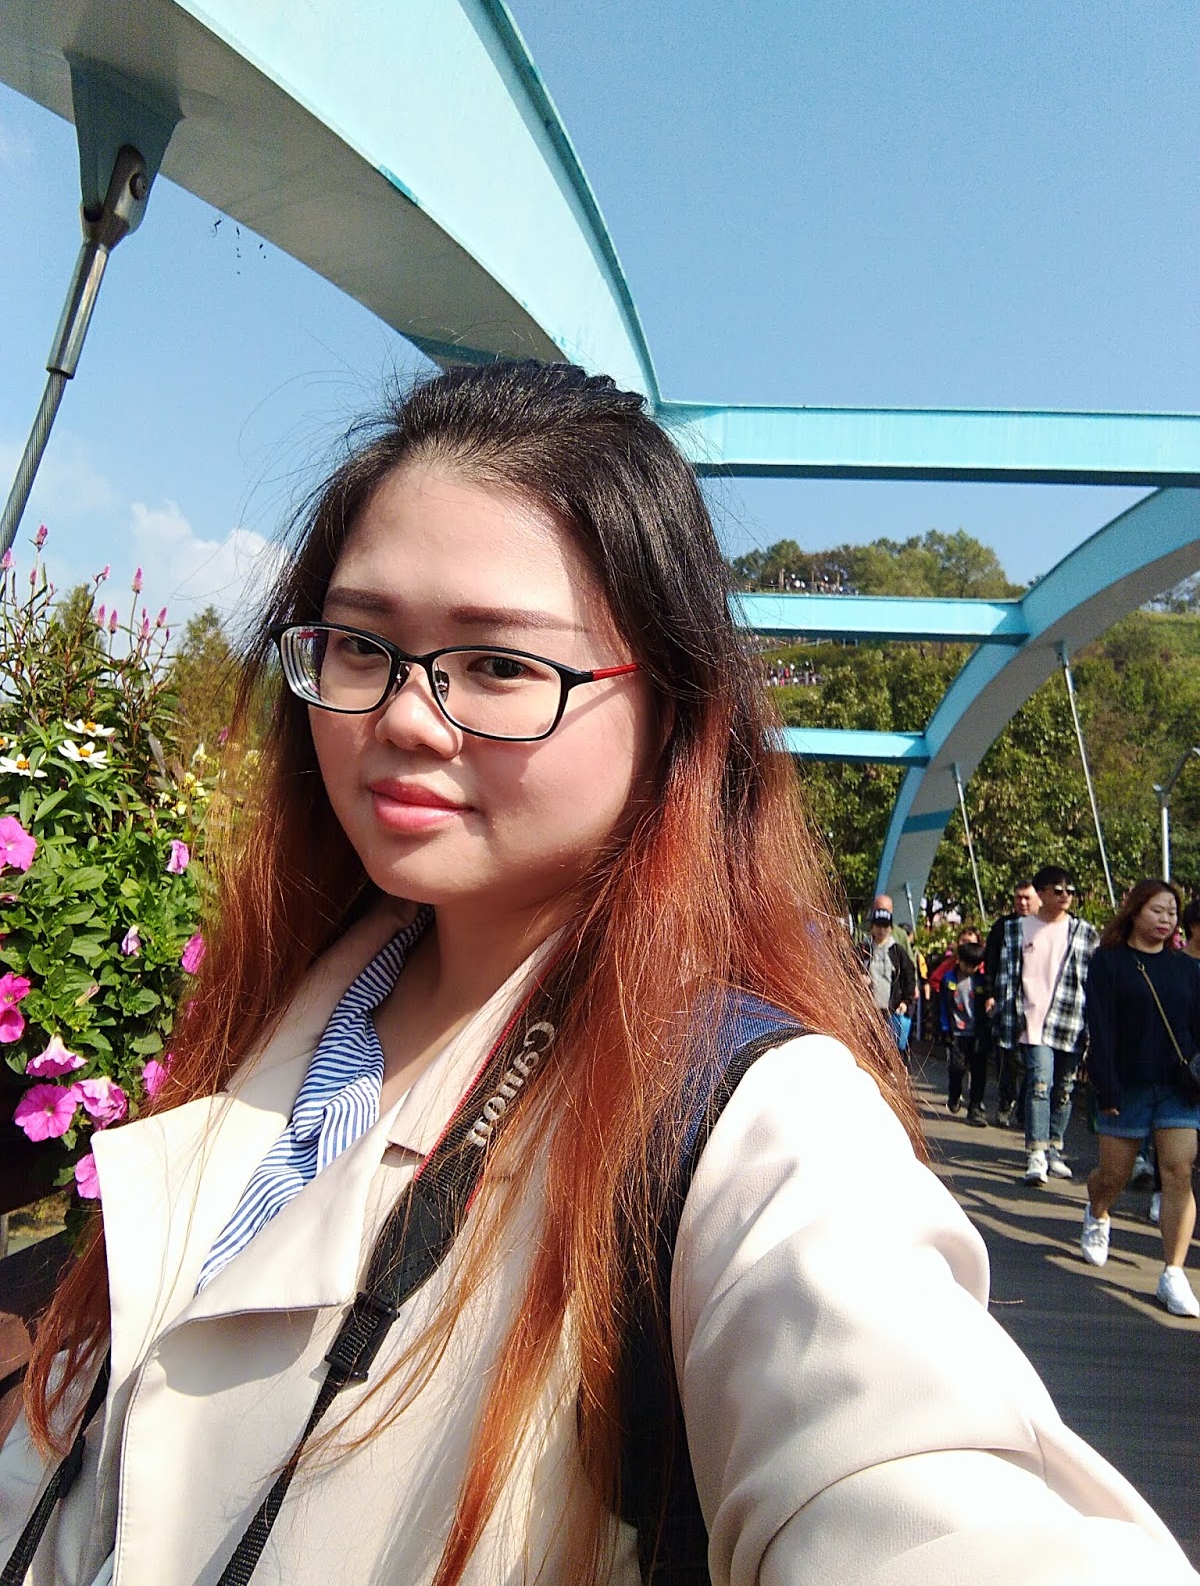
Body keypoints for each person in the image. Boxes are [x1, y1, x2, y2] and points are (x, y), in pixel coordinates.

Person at [3, 362, 1197, 1586]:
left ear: (672, 710)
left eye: (501, 665)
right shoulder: (276, 1024)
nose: (405, 716)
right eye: (360, 645)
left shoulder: (743, 1124)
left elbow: (924, 1491)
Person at [1080, 880, 1200, 1318]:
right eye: (1158, 910)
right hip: (1126, 1085)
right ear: (1134, 911)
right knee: (1114, 1175)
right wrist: (1106, 1085)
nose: (1167, 919)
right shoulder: (1109, 961)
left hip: (1177, 1089)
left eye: (1172, 912)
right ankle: (1098, 1212)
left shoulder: (1186, 968)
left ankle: (1173, 1272)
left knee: (1178, 1170)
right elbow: (1100, 1026)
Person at [993, 866, 1099, 1185]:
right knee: (1040, 1084)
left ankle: (1054, 1147)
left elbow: (1095, 981)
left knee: (1064, 1089)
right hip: (1032, 1020)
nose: (1065, 896)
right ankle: (1036, 1152)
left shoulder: (1083, 932)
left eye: (1070, 890)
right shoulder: (1017, 929)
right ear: (1041, 893)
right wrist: (1004, 1017)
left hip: (1070, 1020)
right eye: (1058, 890)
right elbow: (1005, 975)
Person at [985, 878, 1040, 1125]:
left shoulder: (1045, 927)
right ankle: (1005, 1102)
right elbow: (991, 961)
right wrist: (989, 994)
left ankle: (1025, 1108)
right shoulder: (1003, 926)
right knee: (1006, 1057)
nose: (1023, 902)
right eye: (1019, 897)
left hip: (1036, 1003)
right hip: (1007, 1001)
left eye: (1028, 898)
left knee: (1033, 1059)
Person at [940, 937, 988, 1124]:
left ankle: (975, 1107)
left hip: (977, 1033)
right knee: (957, 1068)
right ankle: (954, 1094)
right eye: (967, 964)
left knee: (978, 1072)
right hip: (956, 1033)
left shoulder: (981, 981)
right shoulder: (949, 979)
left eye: (974, 966)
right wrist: (945, 1027)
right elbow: (942, 1005)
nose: (970, 969)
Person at [859, 900, 916, 1056]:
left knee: (891, 1050)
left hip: (891, 1009)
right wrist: (859, 978)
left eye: (885, 926)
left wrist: (906, 1001)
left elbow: (909, 975)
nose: (881, 930)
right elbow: (849, 969)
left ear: (891, 928)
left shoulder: (897, 951)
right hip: (867, 1010)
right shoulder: (863, 948)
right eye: (878, 925)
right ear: (872, 927)